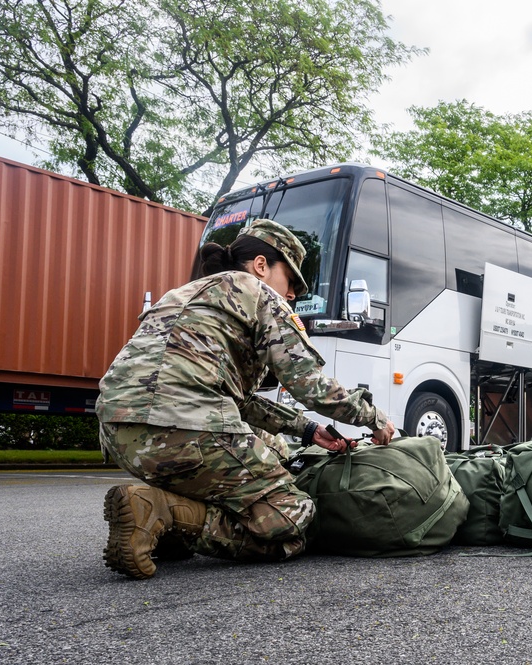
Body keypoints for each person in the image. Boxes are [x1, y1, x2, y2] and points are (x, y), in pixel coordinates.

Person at [97, 219, 396, 579]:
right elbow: (310, 384)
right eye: (291, 281)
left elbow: (235, 400)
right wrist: (374, 418)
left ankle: (168, 525)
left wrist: (309, 430)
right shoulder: (258, 293)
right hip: (185, 430)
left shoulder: (183, 294)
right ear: (260, 265)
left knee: (267, 446)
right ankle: (169, 514)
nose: (292, 296)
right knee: (294, 516)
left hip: (119, 434)